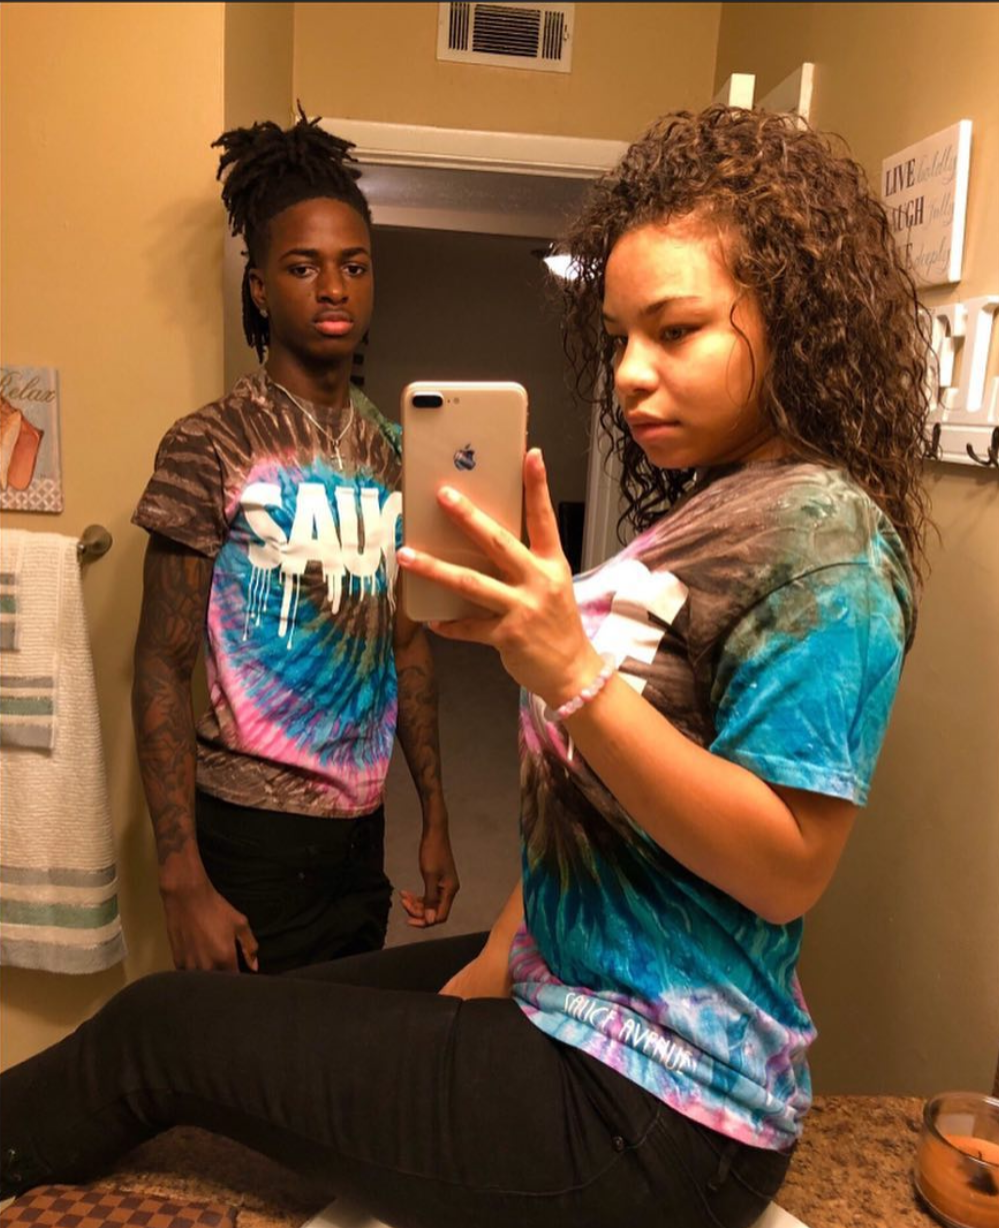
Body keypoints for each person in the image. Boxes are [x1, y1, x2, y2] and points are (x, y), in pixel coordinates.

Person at [1, 106, 932, 1228]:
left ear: (794, 316)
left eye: (676, 331)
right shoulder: (719, 508)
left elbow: (788, 868)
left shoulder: (826, 537)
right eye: (619, 337)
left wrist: (570, 672)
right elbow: (601, 805)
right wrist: (502, 950)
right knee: (244, 1020)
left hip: (655, 1105)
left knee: (158, 1032)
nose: (630, 376)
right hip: (573, 999)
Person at [129, 108, 458, 974]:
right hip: (248, 839)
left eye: (354, 266)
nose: (334, 288)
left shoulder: (397, 453)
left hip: (360, 832)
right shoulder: (210, 444)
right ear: (260, 289)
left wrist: (435, 815)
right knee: (240, 1053)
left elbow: (408, 646)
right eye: (304, 267)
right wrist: (180, 876)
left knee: (344, 1047)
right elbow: (160, 662)